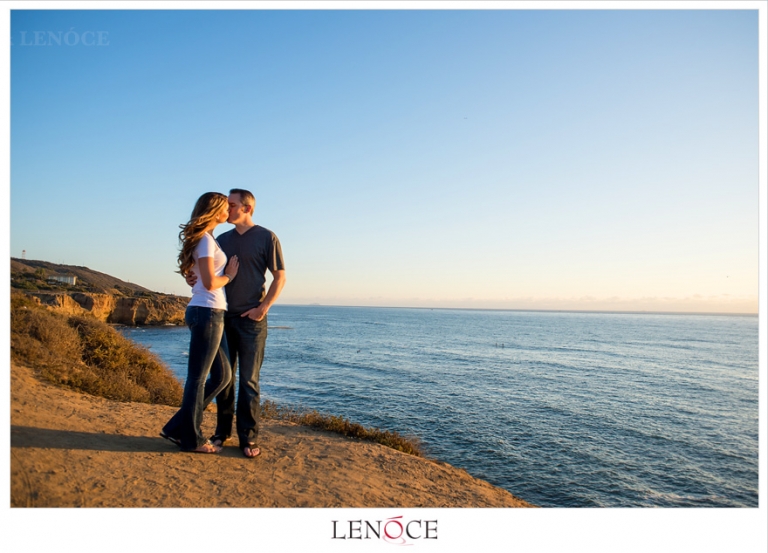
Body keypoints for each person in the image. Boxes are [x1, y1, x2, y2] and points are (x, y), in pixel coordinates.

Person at [186, 188, 286, 458]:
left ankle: (248, 438)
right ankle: (221, 433)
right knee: (223, 380)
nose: (226, 209)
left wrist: (262, 309)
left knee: (249, 381)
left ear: (247, 208)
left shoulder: (267, 237)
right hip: (221, 318)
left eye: (231, 205)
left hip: (253, 321)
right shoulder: (221, 238)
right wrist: (190, 277)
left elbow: (280, 278)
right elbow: (205, 270)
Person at [161, 192, 239, 454]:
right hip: (207, 311)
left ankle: (177, 427)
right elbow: (209, 282)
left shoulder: (207, 240)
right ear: (215, 210)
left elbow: (198, 276)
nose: (229, 211)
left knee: (224, 375)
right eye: (225, 208)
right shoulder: (205, 241)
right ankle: (191, 439)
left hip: (210, 311)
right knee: (197, 378)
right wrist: (228, 276)